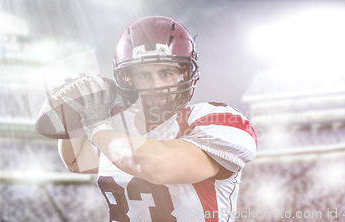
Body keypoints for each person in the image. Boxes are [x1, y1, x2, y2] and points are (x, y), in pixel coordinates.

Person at [57, 16, 257, 222]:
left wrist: (96, 125)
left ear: (185, 73)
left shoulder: (219, 120)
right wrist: (76, 108)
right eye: (143, 76)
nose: (155, 85)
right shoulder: (117, 126)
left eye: (166, 73)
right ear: (128, 79)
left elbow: (155, 166)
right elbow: (74, 160)